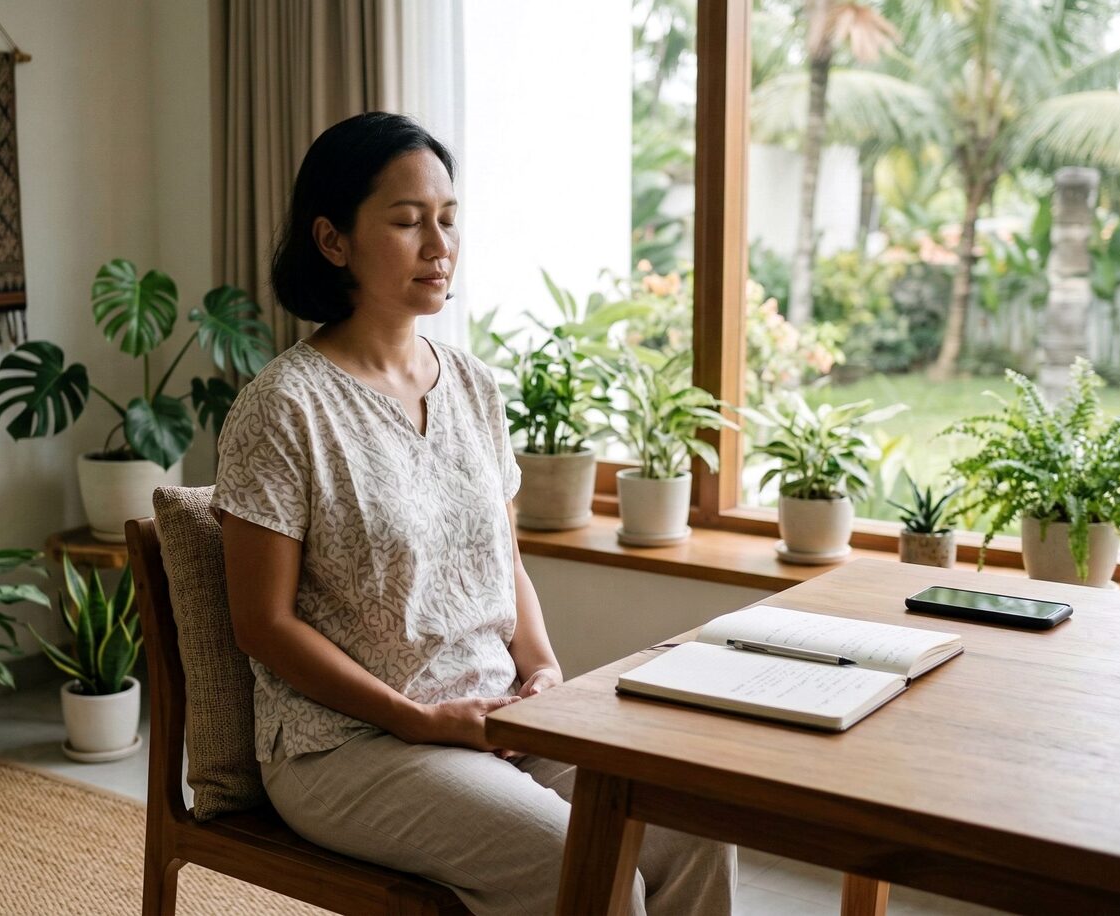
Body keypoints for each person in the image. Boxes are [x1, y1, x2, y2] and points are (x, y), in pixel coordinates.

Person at [210, 111, 737, 916]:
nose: (438, 244)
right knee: (587, 870)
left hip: (495, 717)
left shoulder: (472, 386)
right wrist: (417, 719)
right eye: (408, 221)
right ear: (333, 240)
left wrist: (544, 674)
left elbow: (505, 563)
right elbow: (263, 623)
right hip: (348, 746)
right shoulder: (283, 406)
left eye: (449, 220)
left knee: (695, 820)